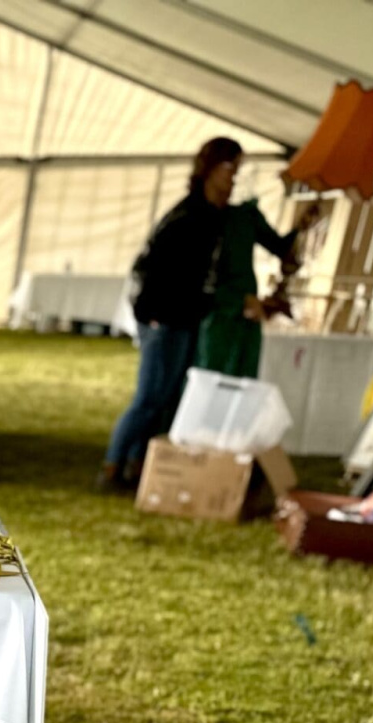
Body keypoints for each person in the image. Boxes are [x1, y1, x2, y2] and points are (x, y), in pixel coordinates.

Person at [99, 138, 239, 489]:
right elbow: (154, 269)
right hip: (162, 320)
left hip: (183, 320)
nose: (233, 177)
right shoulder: (188, 216)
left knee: (166, 398)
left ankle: (136, 464)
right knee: (149, 398)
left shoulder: (212, 216)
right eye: (228, 168)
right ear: (208, 170)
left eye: (236, 169)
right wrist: (155, 316)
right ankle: (112, 466)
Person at [198, 190, 321, 377]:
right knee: (211, 374)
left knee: (240, 377)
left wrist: (299, 228)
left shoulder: (246, 217)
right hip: (219, 315)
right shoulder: (202, 218)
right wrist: (238, 300)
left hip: (245, 318)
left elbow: (280, 246)